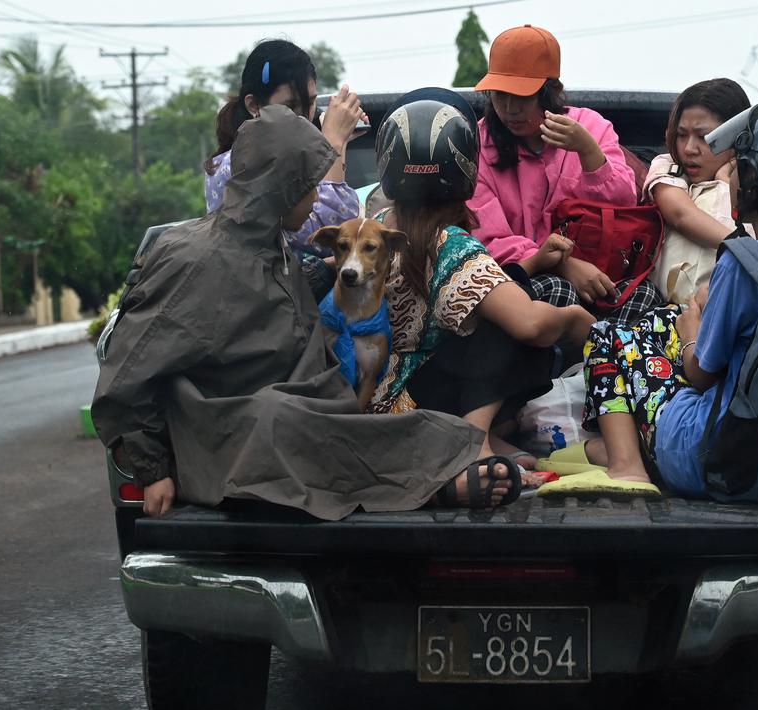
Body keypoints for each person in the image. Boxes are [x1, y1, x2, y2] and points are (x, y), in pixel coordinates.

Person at [93, 105, 522, 521]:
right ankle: (437, 488)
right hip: (236, 434)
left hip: (306, 409)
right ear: (283, 187)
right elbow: (128, 373)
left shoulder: (273, 249)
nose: (318, 196)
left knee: (415, 424)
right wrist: (153, 472)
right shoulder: (192, 258)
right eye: (310, 185)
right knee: (283, 422)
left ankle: (443, 463)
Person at [546, 105, 758, 498]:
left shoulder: (744, 264)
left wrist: (689, 332)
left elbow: (700, 372)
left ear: (750, 179)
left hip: (709, 458)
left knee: (608, 336)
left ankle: (627, 467)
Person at [368, 88, 595, 472]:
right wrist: (574, 318)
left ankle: (491, 438)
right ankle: (474, 442)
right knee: (516, 314)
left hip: (380, 399)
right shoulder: (449, 245)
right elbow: (530, 325)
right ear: (464, 166)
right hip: (420, 408)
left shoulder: (372, 231)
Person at [467, 25, 661, 326]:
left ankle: (607, 363)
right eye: (499, 96)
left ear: (551, 92)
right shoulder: (477, 145)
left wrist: (588, 151)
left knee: (647, 297)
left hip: (603, 275)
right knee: (556, 292)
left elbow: (625, 200)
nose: (509, 109)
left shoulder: (590, 126)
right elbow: (488, 239)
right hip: (526, 279)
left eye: (522, 96)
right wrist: (563, 266)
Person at [204, 40, 363, 265]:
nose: (304, 117)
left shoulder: (287, 156)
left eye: (311, 103)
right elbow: (329, 231)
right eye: (290, 106)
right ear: (254, 106)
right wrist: (332, 143)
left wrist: (334, 144)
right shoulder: (236, 166)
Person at [645, 79, 752, 303]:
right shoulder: (667, 167)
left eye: (704, 137)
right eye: (682, 134)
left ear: (737, 138)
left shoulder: (753, 183)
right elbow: (681, 215)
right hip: (663, 315)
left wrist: (725, 182)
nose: (689, 149)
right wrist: (748, 251)